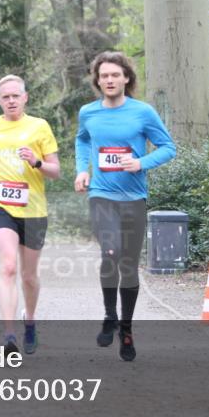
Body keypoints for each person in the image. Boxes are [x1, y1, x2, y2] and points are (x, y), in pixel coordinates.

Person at [74, 51, 176, 361]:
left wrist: (140, 162)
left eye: (114, 75)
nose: (109, 80)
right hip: (101, 195)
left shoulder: (143, 113)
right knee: (110, 252)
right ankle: (109, 315)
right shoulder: (88, 113)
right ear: (98, 80)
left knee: (128, 264)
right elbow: (82, 140)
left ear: (126, 78)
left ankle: (127, 328)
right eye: (104, 76)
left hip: (134, 198)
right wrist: (82, 169)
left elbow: (168, 148)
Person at [0, 75, 60, 354]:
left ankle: (30, 320)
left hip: (33, 209)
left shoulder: (39, 126)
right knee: (8, 266)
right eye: (5, 97)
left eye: (15, 96)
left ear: (25, 98)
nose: (11, 101)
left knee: (29, 276)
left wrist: (35, 161)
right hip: (0, 205)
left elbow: (55, 170)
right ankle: (9, 334)